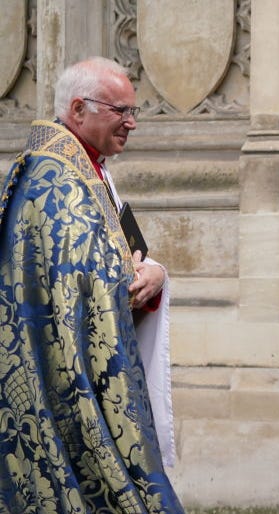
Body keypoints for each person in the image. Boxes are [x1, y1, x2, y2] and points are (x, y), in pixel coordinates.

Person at [0, 56, 182, 512]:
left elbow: (119, 256)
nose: (132, 123)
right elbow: (87, 281)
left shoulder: (87, 167)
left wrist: (155, 273)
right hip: (60, 366)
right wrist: (140, 276)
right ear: (79, 108)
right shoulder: (56, 177)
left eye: (132, 111)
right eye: (121, 111)